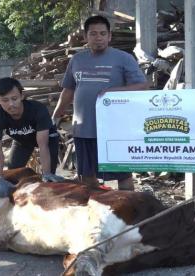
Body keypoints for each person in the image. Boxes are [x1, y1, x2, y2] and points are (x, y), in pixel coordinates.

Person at [52, 15, 148, 190]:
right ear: (85, 37)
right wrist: (56, 115)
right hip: (83, 128)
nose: (99, 38)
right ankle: (98, 210)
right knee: (87, 176)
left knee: (122, 174)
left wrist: (113, 92)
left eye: (103, 33)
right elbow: (68, 91)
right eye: (93, 34)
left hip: (114, 130)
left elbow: (142, 86)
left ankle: (130, 213)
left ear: (110, 36)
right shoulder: (77, 60)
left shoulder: (123, 58)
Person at [0, 77, 64, 197]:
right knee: (12, 173)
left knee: (48, 178)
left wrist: (47, 173)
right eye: (5, 100)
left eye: (14, 98)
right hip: (21, 140)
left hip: (47, 140)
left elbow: (43, 145)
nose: (11, 104)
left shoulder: (38, 110)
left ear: (22, 96)